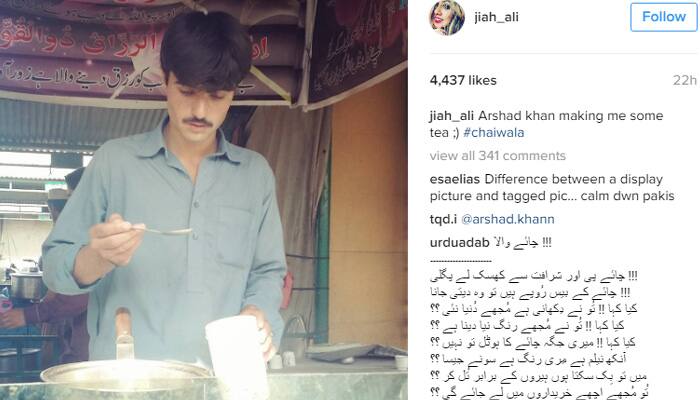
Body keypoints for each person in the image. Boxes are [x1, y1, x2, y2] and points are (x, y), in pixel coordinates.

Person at [41, 11, 286, 365]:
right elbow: (53, 266)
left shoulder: (255, 176)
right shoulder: (115, 163)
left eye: (217, 96)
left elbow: (268, 271)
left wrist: (258, 310)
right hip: (127, 381)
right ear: (165, 80)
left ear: (234, 92)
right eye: (186, 91)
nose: (200, 110)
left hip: (220, 377)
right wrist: (96, 258)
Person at [0, 168, 89, 364]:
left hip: (90, 347)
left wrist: (31, 314)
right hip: (73, 330)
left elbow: (79, 298)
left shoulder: (91, 237)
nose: (72, 203)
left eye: (73, 196)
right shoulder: (73, 234)